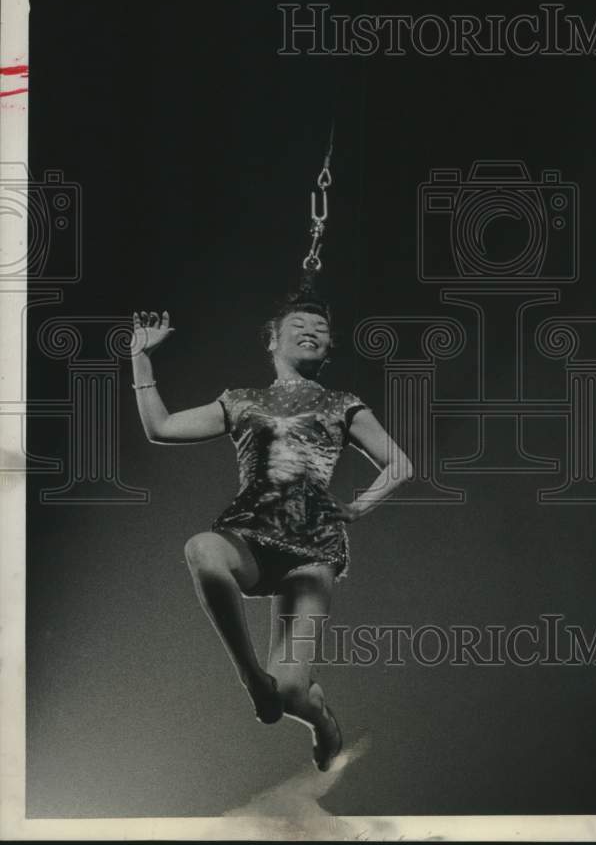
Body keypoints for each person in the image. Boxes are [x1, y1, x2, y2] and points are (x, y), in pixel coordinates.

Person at [130, 292, 412, 771]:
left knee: (289, 694)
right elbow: (161, 427)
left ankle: (319, 716)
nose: (311, 333)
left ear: (329, 349)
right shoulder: (242, 401)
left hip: (313, 552)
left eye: (321, 332)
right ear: (272, 340)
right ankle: (249, 677)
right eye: (299, 325)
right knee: (202, 549)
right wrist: (139, 358)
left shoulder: (342, 404)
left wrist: (358, 507)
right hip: (251, 536)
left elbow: (399, 464)